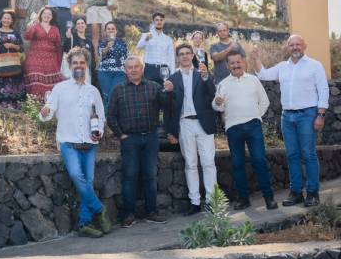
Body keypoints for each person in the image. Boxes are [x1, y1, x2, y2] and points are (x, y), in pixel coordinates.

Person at [39, 47, 112, 238]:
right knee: (76, 175)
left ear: (86, 65)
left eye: (82, 63)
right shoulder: (60, 88)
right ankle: (99, 208)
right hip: (68, 142)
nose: (78, 66)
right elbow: (48, 111)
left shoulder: (93, 91)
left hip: (89, 143)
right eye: (75, 63)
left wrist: (99, 132)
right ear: (69, 66)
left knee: (87, 181)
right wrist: (45, 112)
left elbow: (101, 116)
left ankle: (84, 223)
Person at [250, 35, 329, 207]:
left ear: (304, 46)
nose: (295, 47)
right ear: (287, 48)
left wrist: (320, 115)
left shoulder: (315, 65)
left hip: (308, 115)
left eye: (298, 44)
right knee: (292, 155)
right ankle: (296, 193)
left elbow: (323, 89)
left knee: (308, 154)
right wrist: (256, 59)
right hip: (287, 117)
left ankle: (313, 193)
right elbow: (263, 74)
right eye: (291, 45)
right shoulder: (282, 67)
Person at [107, 55, 169, 227]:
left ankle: (152, 212)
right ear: (125, 70)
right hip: (130, 139)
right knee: (130, 177)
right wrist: (121, 135)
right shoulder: (118, 89)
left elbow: (167, 105)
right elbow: (110, 116)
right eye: (130, 67)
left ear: (142, 69)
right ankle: (129, 214)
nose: (133, 70)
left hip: (151, 138)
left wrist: (168, 92)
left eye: (136, 67)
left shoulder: (154, 87)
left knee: (150, 176)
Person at [212, 51, 278, 211]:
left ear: (243, 62)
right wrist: (217, 102)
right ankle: (243, 199)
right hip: (233, 129)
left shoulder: (254, 80)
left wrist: (255, 116)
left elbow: (265, 102)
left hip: (253, 127)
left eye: (238, 62)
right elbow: (217, 106)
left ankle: (269, 198)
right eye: (232, 63)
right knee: (237, 164)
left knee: (259, 161)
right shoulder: (223, 84)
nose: (236, 65)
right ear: (227, 65)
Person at [164, 43, 217, 215]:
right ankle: (195, 202)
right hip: (184, 124)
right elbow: (168, 108)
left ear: (193, 55)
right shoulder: (172, 79)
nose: (185, 56)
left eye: (188, 53)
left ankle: (212, 202)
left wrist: (206, 77)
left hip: (203, 123)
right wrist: (169, 131)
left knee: (208, 163)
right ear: (177, 58)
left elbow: (213, 94)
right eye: (181, 54)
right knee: (190, 164)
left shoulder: (202, 74)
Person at [23, 6, 64, 98]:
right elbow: (27, 37)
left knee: (52, 87)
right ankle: (35, 105)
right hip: (34, 60)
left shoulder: (55, 29)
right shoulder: (35, 26)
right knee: (36, 84)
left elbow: (58, 46)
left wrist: (59, 62)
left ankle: (50, 105)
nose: (47, 15)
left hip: (51, 60)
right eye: (44, 13)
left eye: (49, 14)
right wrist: (32, 25)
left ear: (52, 17)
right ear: (40, 15)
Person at [0, 10, 26, 109]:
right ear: (1, 19)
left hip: (14, 63)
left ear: (12, 21)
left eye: (8, 18)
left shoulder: (15, 33)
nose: (6, 20)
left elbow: (21, 48)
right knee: (1, 83)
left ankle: (14, 106)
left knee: (14, 83)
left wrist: (12, 45)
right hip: (0, 63)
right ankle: (1, 105)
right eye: (4, 18)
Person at [137, 12, 175, 85]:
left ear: (163, 22)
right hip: (150, 69)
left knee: (164, 91)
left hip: (164, 70)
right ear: (153, 22)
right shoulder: (146, 35)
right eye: (157, 20)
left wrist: (172, 74)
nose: (159, 22)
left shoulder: (168, 39)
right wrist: (146, 39)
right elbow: (139, 46)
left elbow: (171, 58)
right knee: (149, 91)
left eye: (161, 20)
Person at [97, 21, 128, 110]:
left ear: (116, 31)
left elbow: (127, 58)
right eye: (108, 29)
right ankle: (105, 116)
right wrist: (108, 47)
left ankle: (113, 116)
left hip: (119, 73)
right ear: (105, 31)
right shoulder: (102, 43)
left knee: (114, 94)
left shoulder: (123, 43)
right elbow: (102, 55)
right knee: (106, 96)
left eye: (112, 29)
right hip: (104, 73)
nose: (110, 30)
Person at [63, 16, 94, 83]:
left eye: (82, 23)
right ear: (76, 27)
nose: (80, 25)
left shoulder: (89, 41)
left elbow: (92, 58)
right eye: (78, 24)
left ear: (85, 26)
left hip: (86, 71)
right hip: (73, 70)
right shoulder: (72, 38)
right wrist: (68, 39)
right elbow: (65, 50)